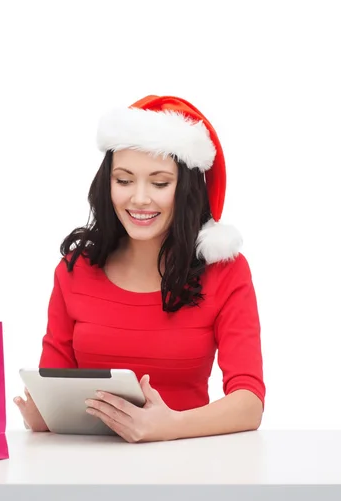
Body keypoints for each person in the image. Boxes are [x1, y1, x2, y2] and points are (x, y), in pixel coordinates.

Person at [14, 95, 265, 443]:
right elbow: (54, 384)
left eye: (160, 183)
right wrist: (44, 415)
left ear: (186, 190)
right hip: (83, 470)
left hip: (187, 465)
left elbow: (249, 404)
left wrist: (165, 427)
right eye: (124, 180)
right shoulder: (75, 270)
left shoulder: (226, 272)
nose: (140, 198)